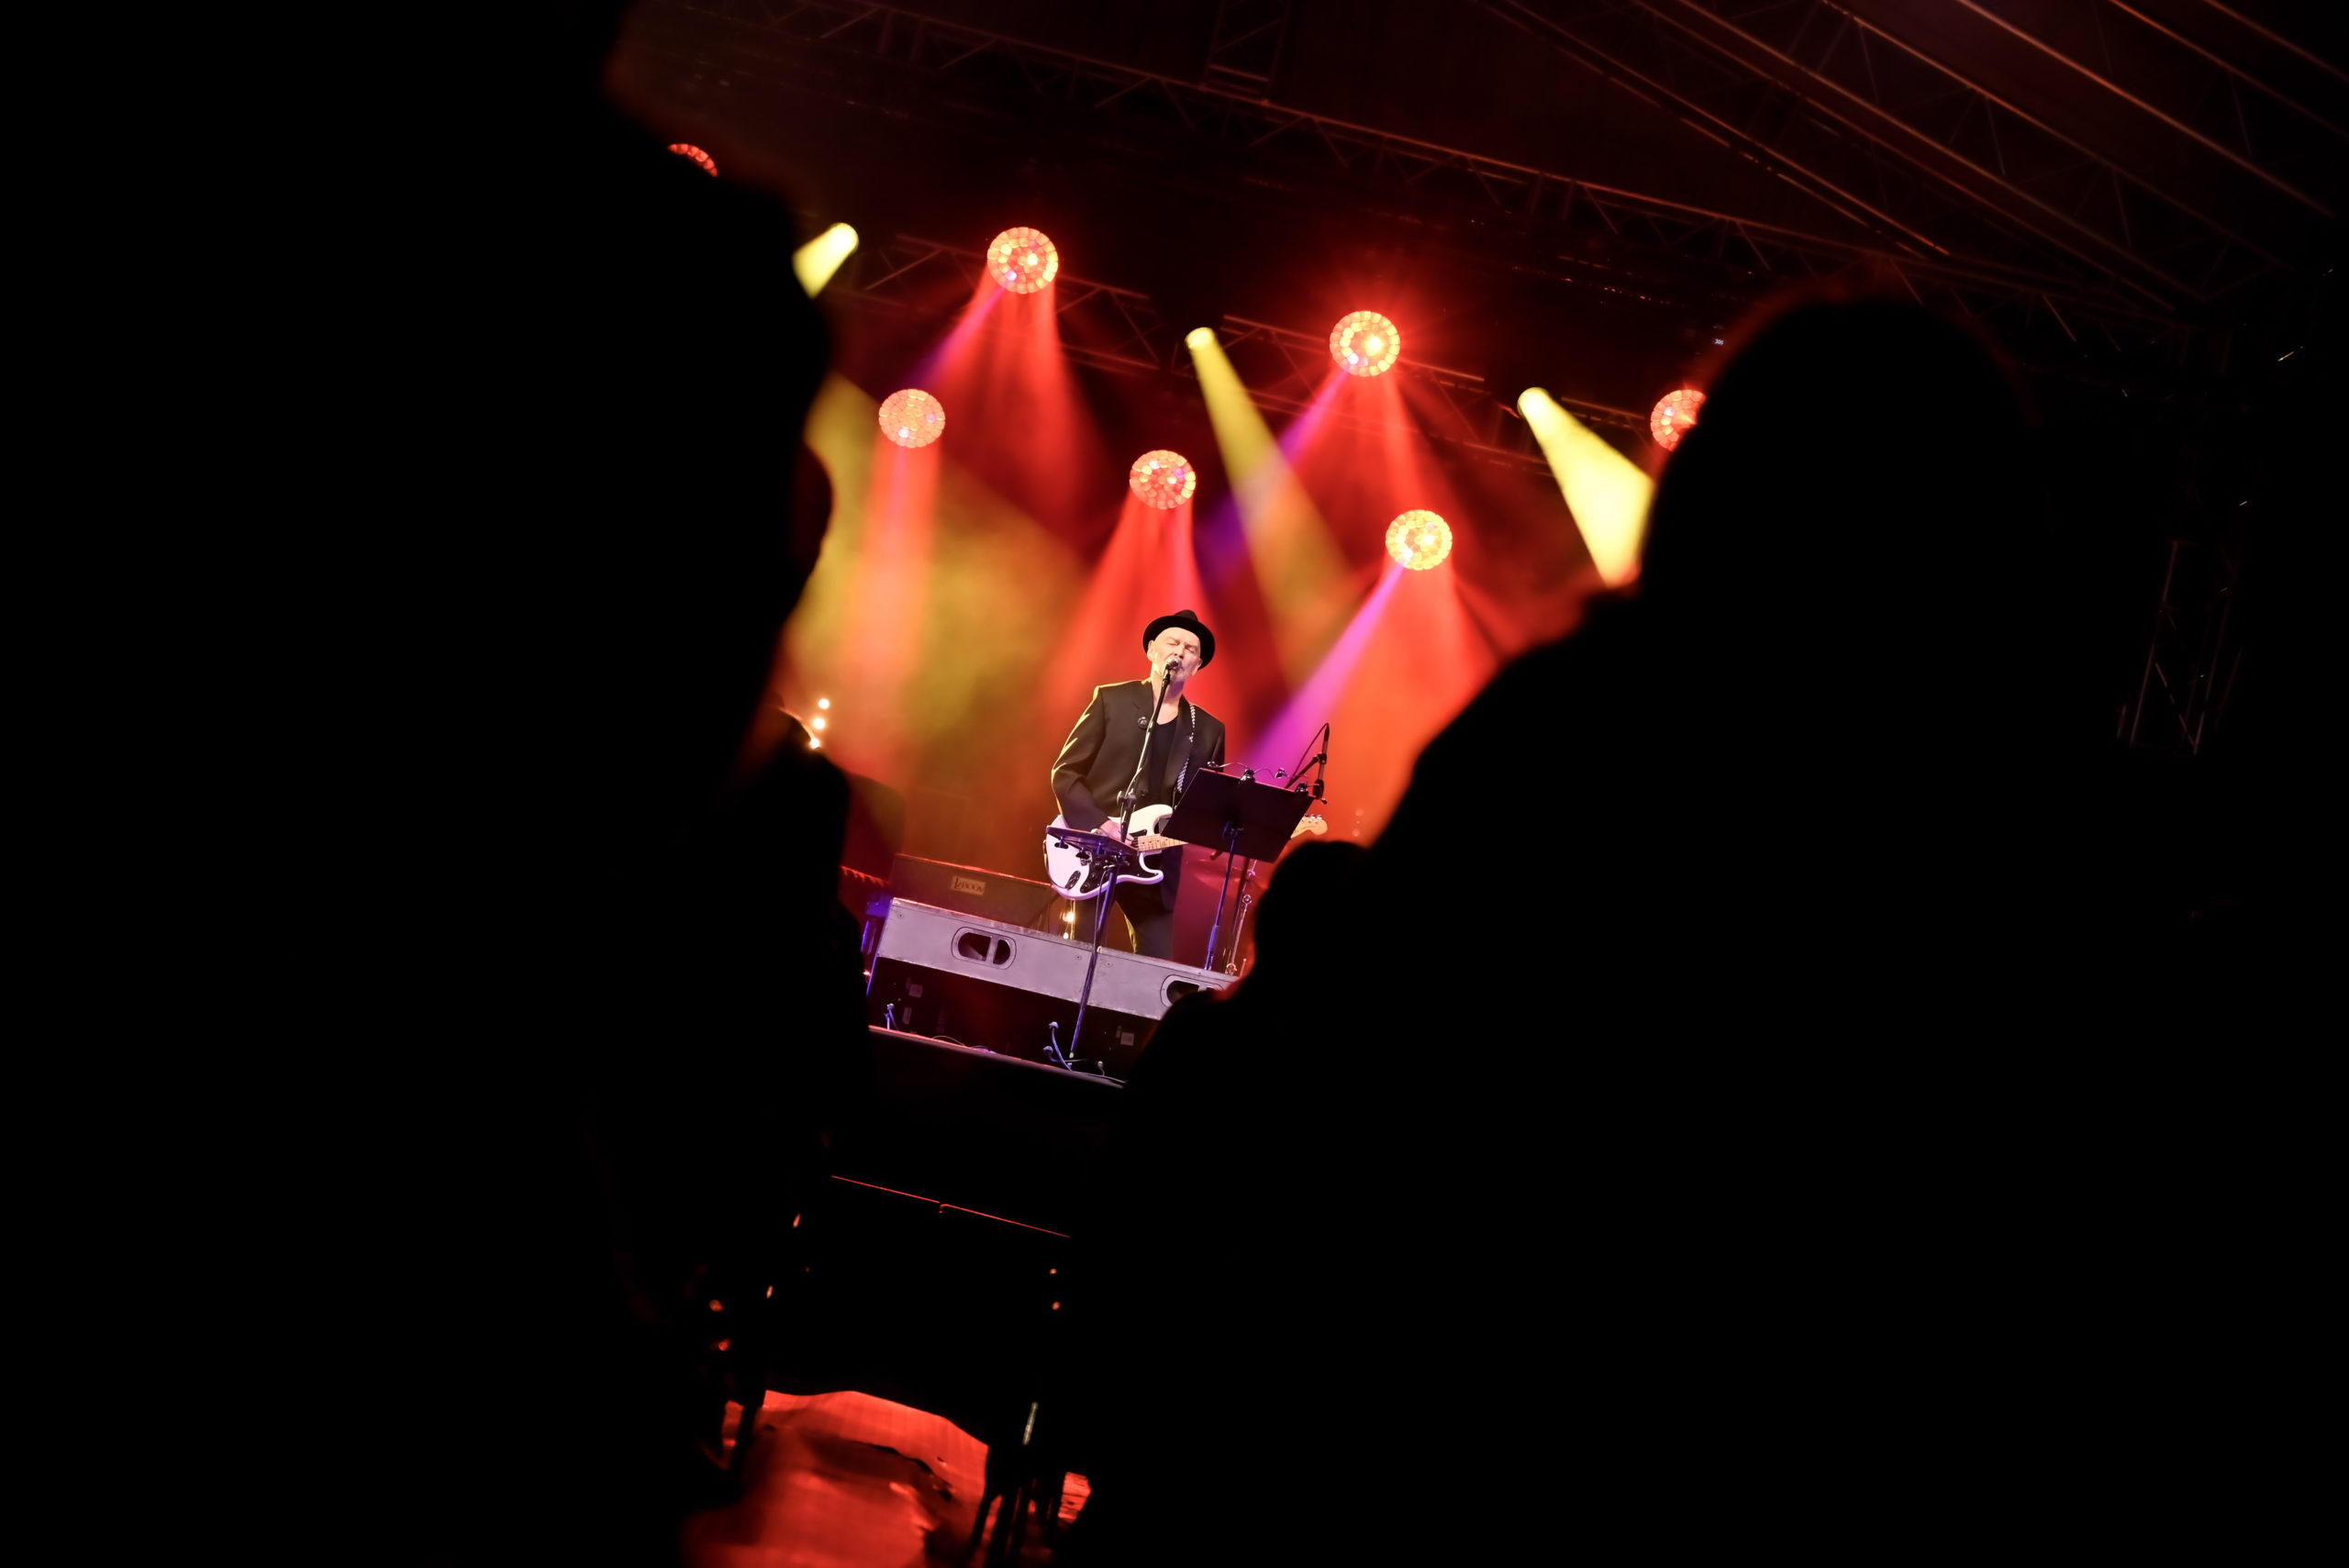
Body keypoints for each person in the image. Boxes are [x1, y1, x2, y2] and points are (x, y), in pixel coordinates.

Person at [1050, 609, 1228, 960]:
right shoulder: (1111, 700)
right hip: (1096, 850)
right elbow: (1065, 773)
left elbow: (1206, 808)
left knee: (1154, 966)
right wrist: (1100, 823)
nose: (1180, 652)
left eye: (1190, 649)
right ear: (1151, 650)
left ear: (1197, 666)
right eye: (1172, 642)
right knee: (1077, 957)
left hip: (1157, 863)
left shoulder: (1209, 730)